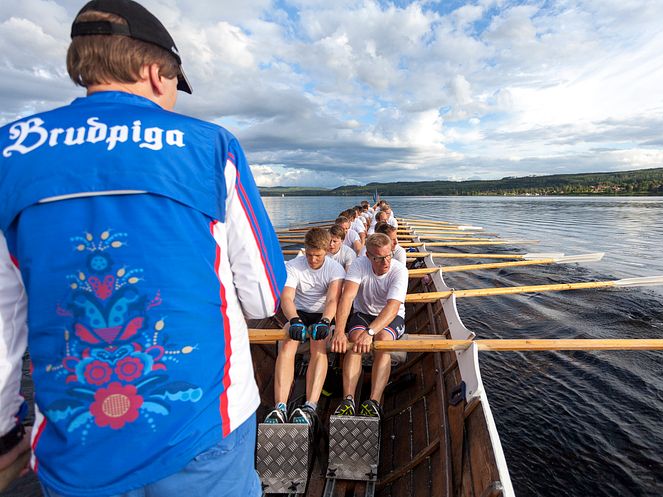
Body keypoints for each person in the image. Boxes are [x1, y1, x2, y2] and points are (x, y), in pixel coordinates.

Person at [0, 1, 286, 496]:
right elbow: (262, 295)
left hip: (77, 440)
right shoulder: (210, 146)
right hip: (203, 425)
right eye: (176, 85)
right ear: (156, 72)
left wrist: (5, 429)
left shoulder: (10, 151)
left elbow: (4, 320)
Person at [265, 228, 344, 429]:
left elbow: (334, 299)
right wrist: (294, 320)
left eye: (317, 255)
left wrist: (326, 321)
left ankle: (310, 405)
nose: (312, 259)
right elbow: (287, 298)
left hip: (322, 315)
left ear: (326, 251)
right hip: (297, 313)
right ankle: (280, 406)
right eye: (308, 254)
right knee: (287, 344)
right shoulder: (293, 266)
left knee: (319, 346)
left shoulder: (335, 269)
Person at [330, 234, 408, 419]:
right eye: (379, 258)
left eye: (389, 255)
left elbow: (392, 307)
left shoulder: (399, 271)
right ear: (368, 256)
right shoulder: (359, 265)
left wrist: (370, 332)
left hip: (391, 317)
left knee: (383, 342)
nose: (386, 261)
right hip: (363, 314)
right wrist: (339, 332)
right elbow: (347, 298)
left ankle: (373, 401)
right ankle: (348, 400)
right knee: (355, 340)